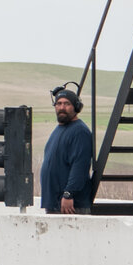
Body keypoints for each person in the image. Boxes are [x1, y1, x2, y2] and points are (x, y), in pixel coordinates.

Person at [39, 84, 95, 215]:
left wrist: (69, 194)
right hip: (55, 203)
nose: (62, 107)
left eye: (67, 104)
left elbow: (80, 166)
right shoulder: (58, 130)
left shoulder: (80, 131)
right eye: (58, 104)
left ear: (76, 107)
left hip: (70, 205)